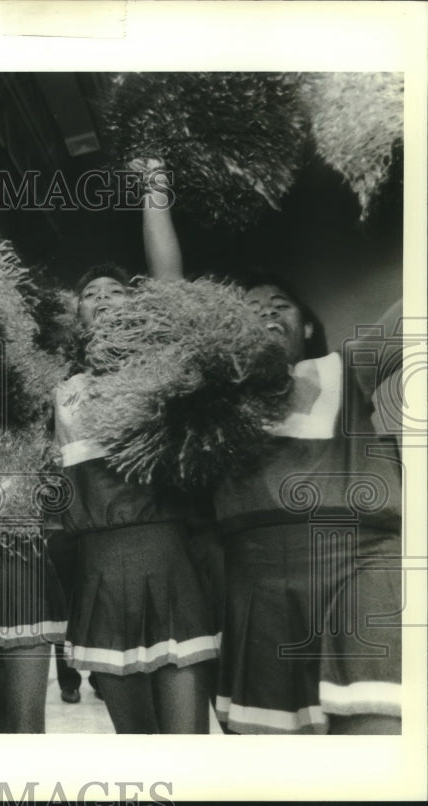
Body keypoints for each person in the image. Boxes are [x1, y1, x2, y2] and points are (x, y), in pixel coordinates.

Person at [55, 161, 218, 733]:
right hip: (96, 568)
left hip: (167, 555)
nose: (102, 297)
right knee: (139, 747)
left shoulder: (157, 365)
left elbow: (171, 284)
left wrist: (154, 185)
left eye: (115, 291)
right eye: (89, 294)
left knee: (187, 746)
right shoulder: (58, 388)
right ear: (74, 315)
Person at [213, 275, 402, 734]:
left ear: (309, 328)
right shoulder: (213, 404)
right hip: (260, 586)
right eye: (249, 309)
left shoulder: (346, 368)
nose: (265, 313)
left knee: (374, 737)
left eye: (280, 304)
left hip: (361, 566)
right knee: (279, 771)